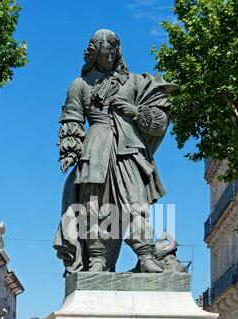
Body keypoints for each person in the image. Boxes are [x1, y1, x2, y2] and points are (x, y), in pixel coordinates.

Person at [54, 29, 178, 274]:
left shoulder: (134, 81)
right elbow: (72, 119)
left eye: (112, 54)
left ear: (117, 53)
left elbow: (159, 118)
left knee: (137, 203)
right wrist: (69, 150)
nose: (108, 59)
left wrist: (132, 111)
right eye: (103, 55)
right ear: (94, 55)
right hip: (95, 149)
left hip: (129, 148)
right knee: (91, 207)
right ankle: (97, 259)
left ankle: (145, 255)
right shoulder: (79, 85)